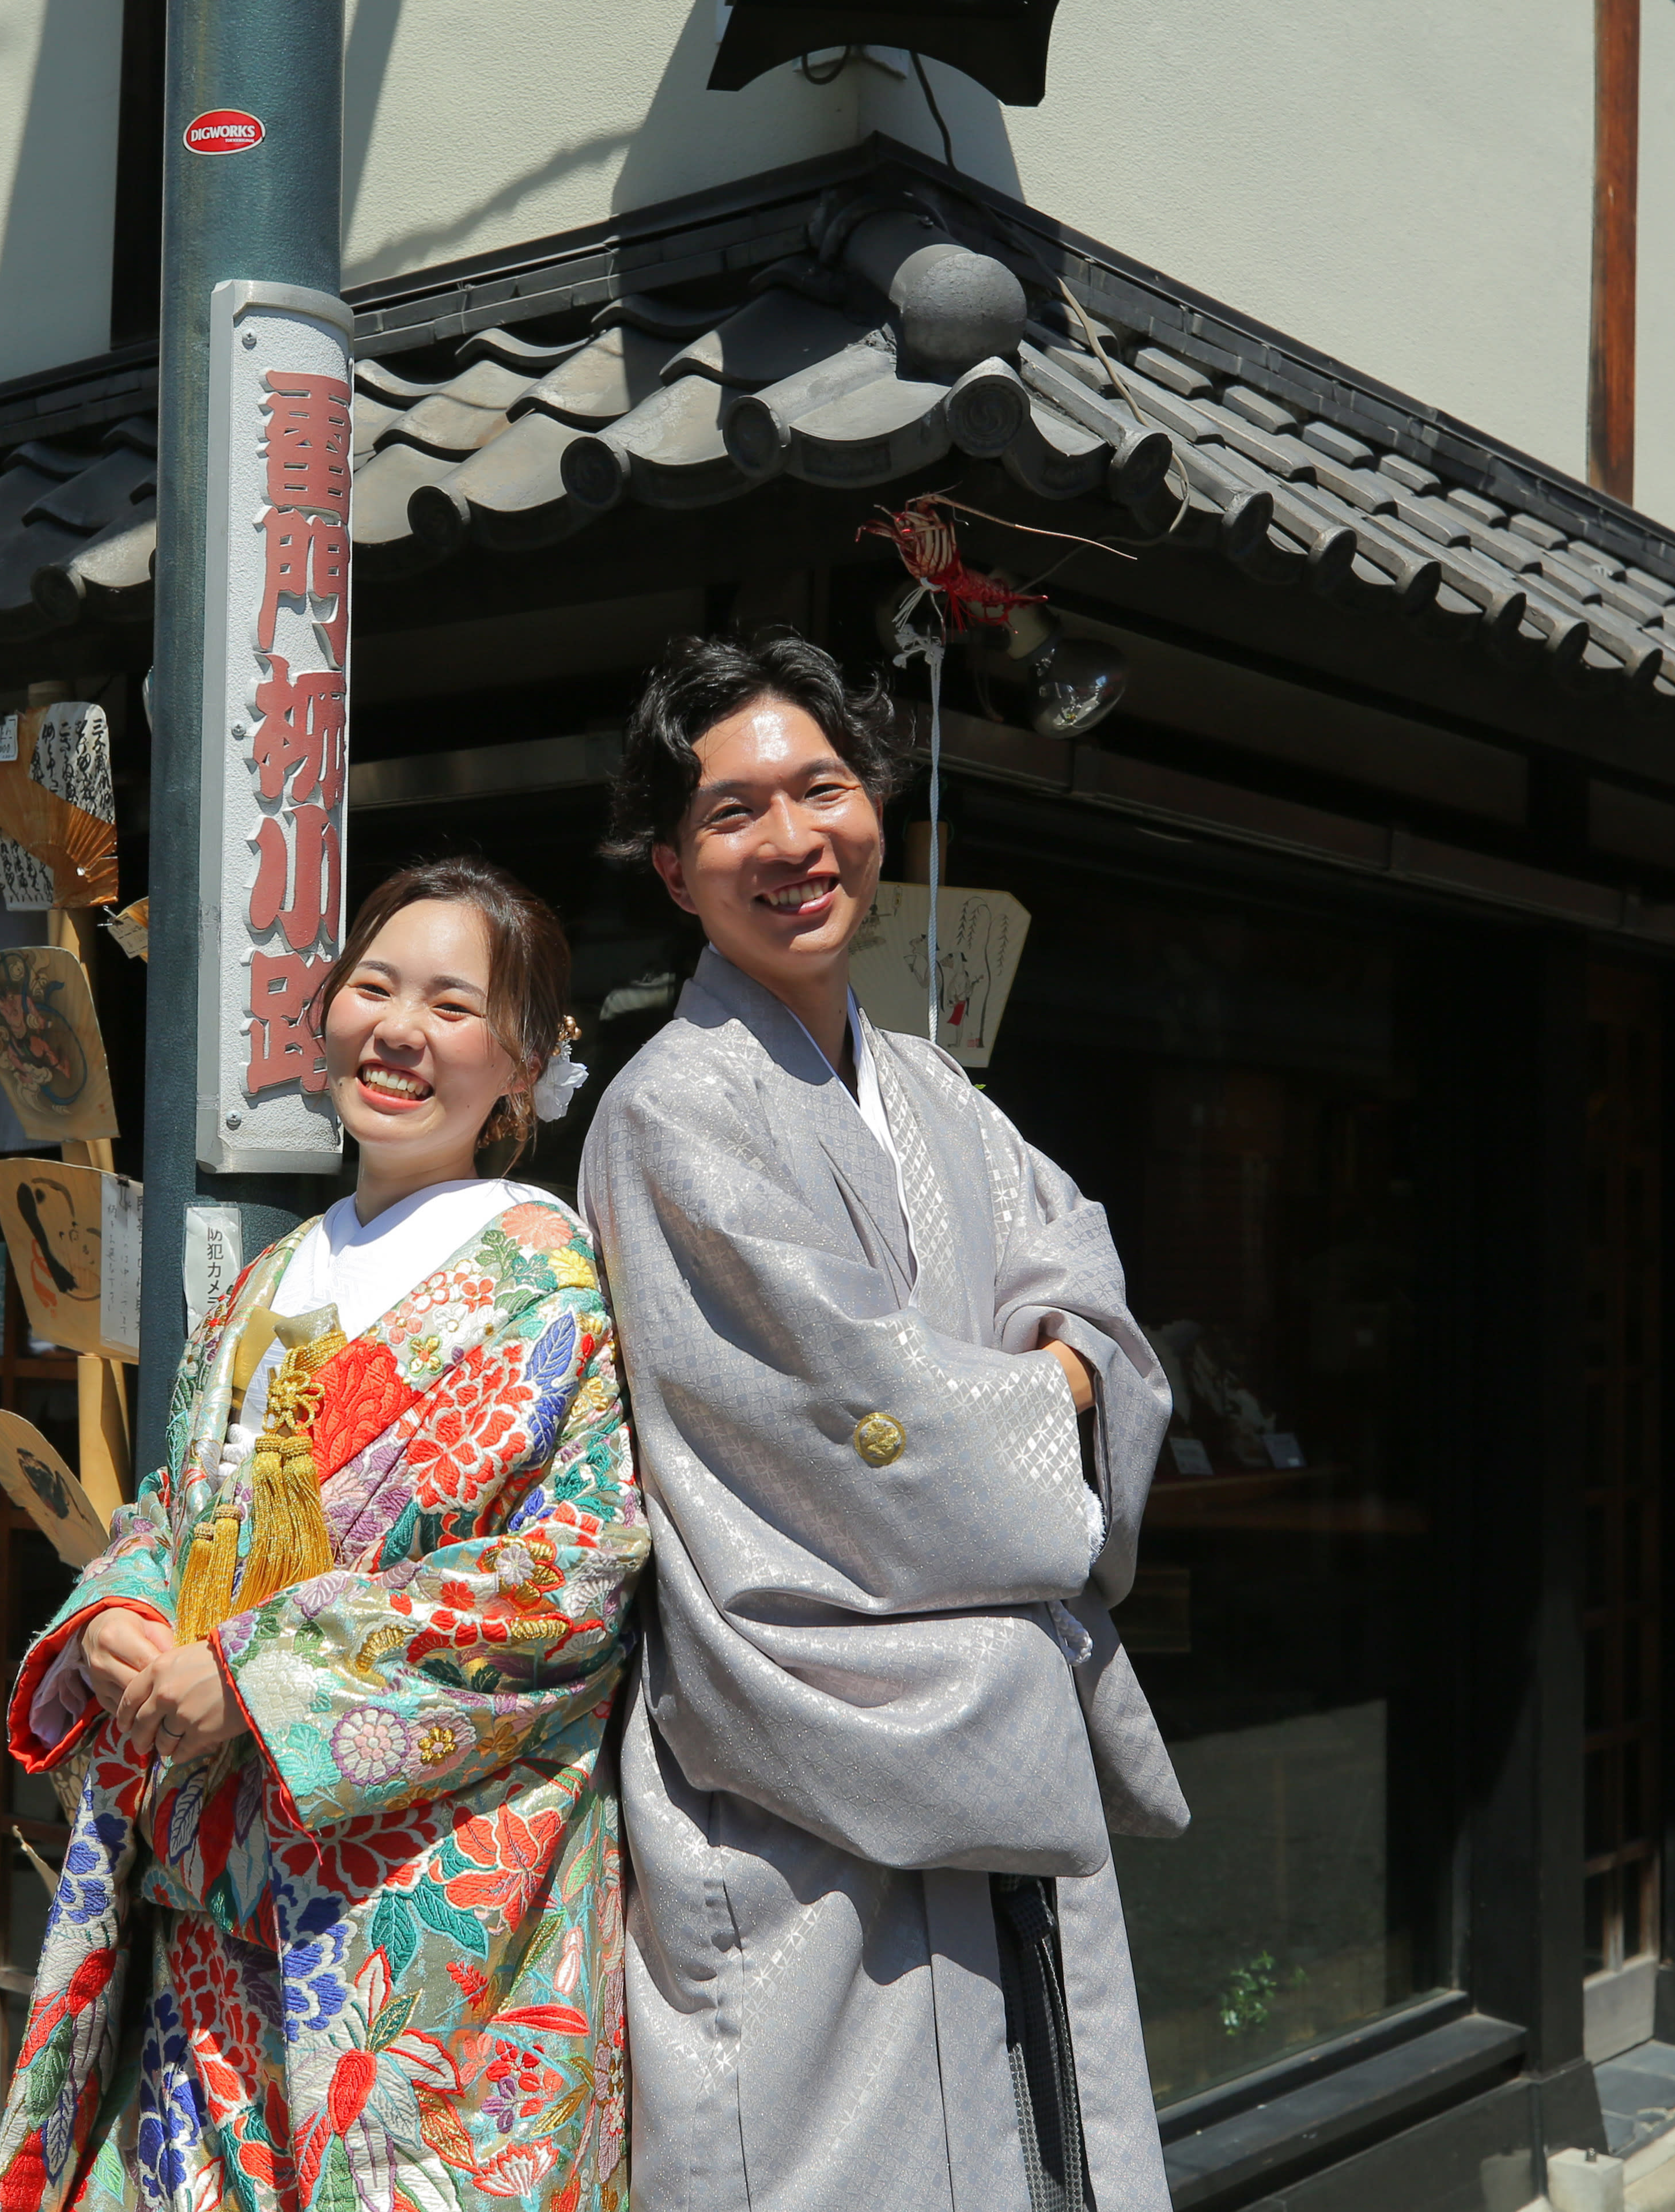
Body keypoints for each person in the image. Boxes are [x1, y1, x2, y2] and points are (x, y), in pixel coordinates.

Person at [581, 633, 1189, 2212]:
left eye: (822, 789)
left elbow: (1081, 1267)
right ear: (673, 870)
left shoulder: (929, 1084)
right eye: (733, 814)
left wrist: (1067, 1359)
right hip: (809, 1755)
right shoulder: (671, 1112)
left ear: (874, 808)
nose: (792, 840)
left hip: (980, 1739)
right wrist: (1051, 1386)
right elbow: (862, 1416)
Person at [0, 857, 646, 2212]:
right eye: (374, 988)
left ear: (526, 1063)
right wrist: (119, 1614)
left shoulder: (547, 1275)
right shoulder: (274, 1278)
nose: (399, 1032)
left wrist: (255, 1673)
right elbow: (178, 1512)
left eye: (453, 1007)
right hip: (211, 1910)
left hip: (422, 1917)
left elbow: (567, 1581)